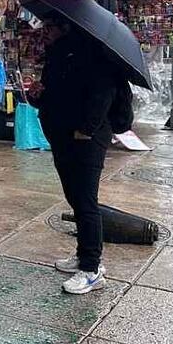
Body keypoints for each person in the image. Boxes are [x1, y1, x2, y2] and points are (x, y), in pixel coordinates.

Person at [31, 16, 120, 295]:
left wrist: (86, 129)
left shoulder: (93, 54)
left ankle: (92, 269)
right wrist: (37, 95)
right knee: (74, 197)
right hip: (61, 134)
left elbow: (104, 93)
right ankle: (83, 256)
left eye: (49, 28)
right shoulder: (58, 55)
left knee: (85, 200)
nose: (44, 33)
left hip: (85, 138)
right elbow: (55, 94)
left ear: (66, 28)